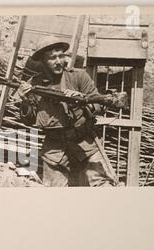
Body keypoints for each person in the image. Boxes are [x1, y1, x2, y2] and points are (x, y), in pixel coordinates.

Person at [15, 40, 117, 187]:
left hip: (85, 144)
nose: (58, 61)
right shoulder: (34, 84)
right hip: (54, 150)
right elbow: (29, 121)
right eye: (52, 58)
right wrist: (24, 101)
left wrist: (82, 101)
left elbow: (99, 104)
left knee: (102, 187)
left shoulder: (78, 76)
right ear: (43, 61)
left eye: (61, 56)